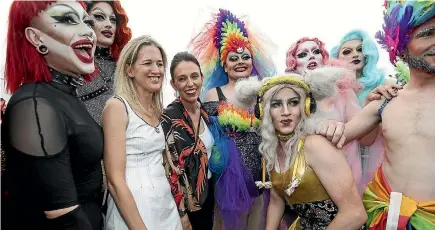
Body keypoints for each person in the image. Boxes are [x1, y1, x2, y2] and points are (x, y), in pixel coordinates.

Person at [321, 1, 435, 228]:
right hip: (383, 219)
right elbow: (334, 137)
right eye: (428, 34)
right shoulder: (384, 101)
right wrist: (326, 126)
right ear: (401, 45)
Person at [1, 1, 104, 229]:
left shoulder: (63, 95)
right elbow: (64, 218)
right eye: (67, 19)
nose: (89, 30)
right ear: (36, 38)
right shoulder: (34, 105)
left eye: (87, 21)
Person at [233, 67, 367, 229]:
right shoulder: (272, 151)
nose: (286, 112)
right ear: (264, 111)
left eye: (293, 103)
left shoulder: (315, 145)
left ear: (306, 107)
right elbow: (276, 200)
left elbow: (355, 214)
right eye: (276, 104)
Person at [188, 8, 276, 230]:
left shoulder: (263, 93)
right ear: (224, 65)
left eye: (245, 57)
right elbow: (205, 137)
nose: (240, 62)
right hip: (228, 180)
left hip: (261, 174)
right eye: (233, 58)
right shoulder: (212, 95)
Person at [102, 35, 182, 230]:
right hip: (132, 213)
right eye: (147, 63)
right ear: (129, 70)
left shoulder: (159, 111)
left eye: (160, 64)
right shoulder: (117, 107)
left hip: (166, 210)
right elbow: (114, 181)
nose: (156, 70)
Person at [161, 52, 216, 230]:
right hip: (187, 205)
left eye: (194, 76)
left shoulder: (207, 112)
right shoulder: (169, 118)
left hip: (209, 195)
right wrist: (183, 216)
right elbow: (171, 171)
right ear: (173, 84)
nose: (190, 84)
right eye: (182, 79)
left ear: (202, 77)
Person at [78, 0, 131, 125]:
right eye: (99, 17)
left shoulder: (127, 67)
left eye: (113, 20)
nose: (109, 24)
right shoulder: (72, 64)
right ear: (84, 21)